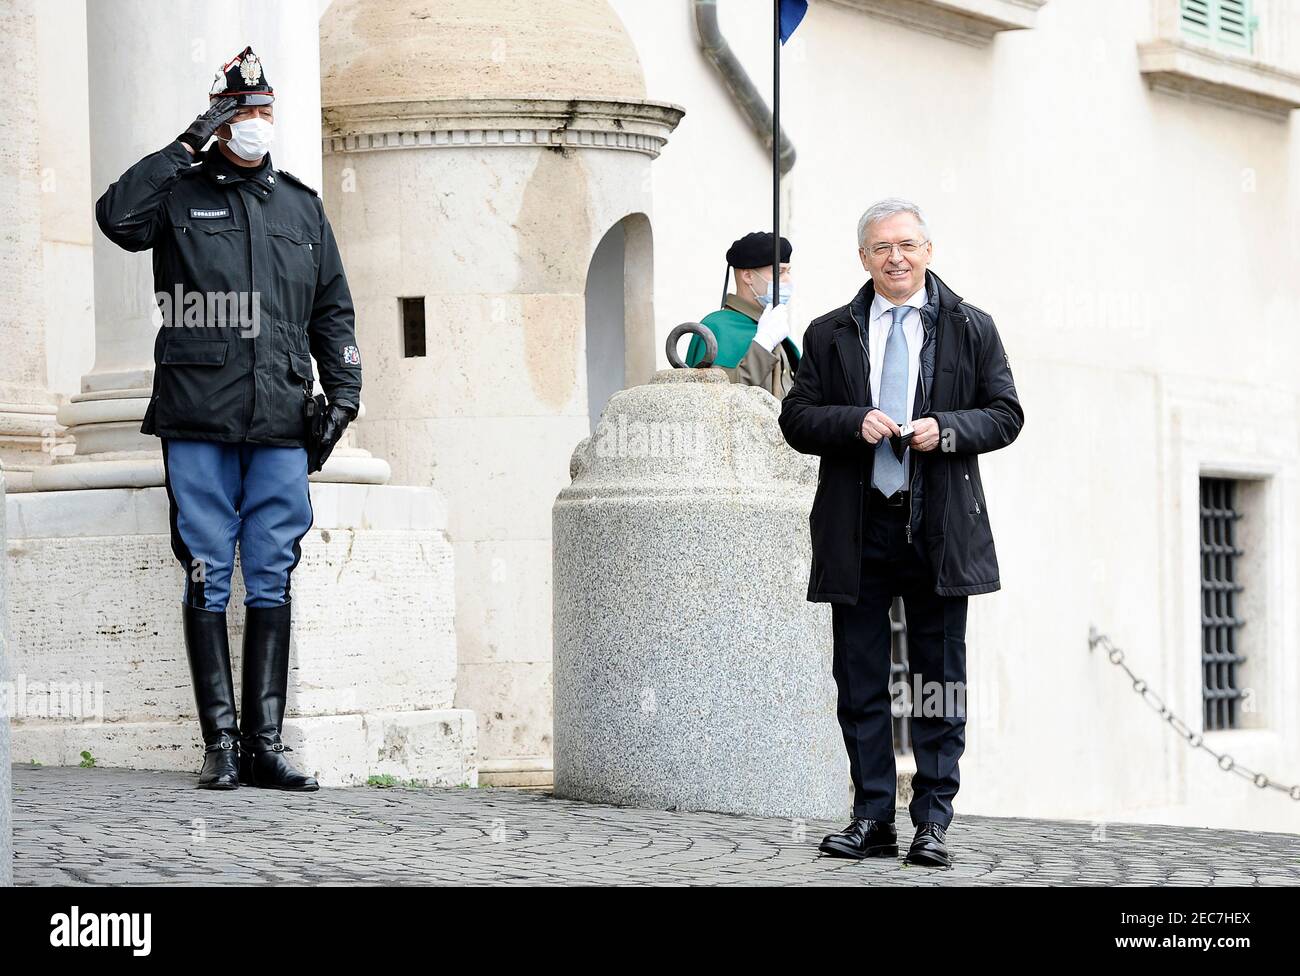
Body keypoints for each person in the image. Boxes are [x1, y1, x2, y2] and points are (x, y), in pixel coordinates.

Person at [95, 46, 361, 791]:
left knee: (273, 571)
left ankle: (263, 746)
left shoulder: (302, 207)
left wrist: (344, 394)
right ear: (218, 119)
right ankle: (219, 744)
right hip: (198, 417)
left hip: (280, 416)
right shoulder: (177, 196)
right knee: (209, 569)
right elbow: (117, 218)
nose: (255, 123)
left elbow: (332, 310)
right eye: (240, 112)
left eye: (263, 110)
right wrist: (186, 145)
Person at [778, 198, 1023, 867]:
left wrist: (945, 430)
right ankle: (871, 818)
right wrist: (850, 421)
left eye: (908, 245)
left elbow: (1005, 414)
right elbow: (796, 418)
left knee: (938, 679)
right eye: (882, 247)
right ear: (864, 257)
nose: (896, 258)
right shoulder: (831, 333)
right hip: (857, 527)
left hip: (938, 528)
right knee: (859, 679)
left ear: (928, 251)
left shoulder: (972, 328)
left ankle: (933, 823)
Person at [685, 232, 799, 398]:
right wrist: (762, 345)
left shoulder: (771, 326)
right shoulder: (717, 328)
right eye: (779, 272)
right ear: (748, 276)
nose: (788, 280)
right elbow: (720, 401)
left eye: (788, 271)